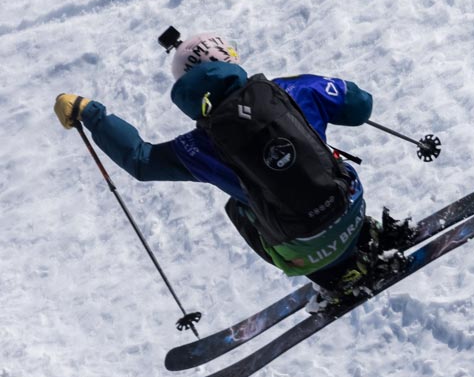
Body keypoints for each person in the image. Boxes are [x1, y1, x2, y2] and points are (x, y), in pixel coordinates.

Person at [54, 34, 412, 298]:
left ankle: (337, 276)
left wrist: (91, 113)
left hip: (306, 252)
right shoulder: (291, 91)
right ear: (225, 59)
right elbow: (361, 106)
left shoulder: (198, 147)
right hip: (349, 205)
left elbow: (140, 160)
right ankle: (366, 237)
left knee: (239, 206)